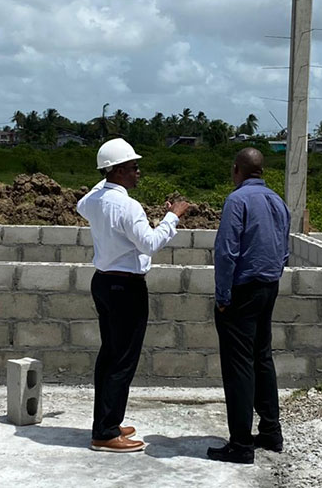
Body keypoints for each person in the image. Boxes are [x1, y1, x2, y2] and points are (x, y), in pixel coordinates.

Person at [76, 137, 190, 453]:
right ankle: (106, 432)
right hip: (126, 288)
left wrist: (106, 174)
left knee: (110, 356)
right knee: (122, 360)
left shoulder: (95, 200)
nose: (138, 172)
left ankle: (107, 421)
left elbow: (81, 203)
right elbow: (150, 244)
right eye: (133, 167)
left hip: (103, 283)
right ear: (120, 171)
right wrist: (173, 217)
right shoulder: (128, 206)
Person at [207, 147, 291, 464]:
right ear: (261, 171)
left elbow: (226, 251)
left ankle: (241, 444)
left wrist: (223, 297)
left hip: (242, 291)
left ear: (236, 170)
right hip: (269, 287)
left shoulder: (237, 200)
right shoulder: (278, 202)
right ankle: (270, 432)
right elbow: (285, 249)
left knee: (239, 366)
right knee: (262, 358)